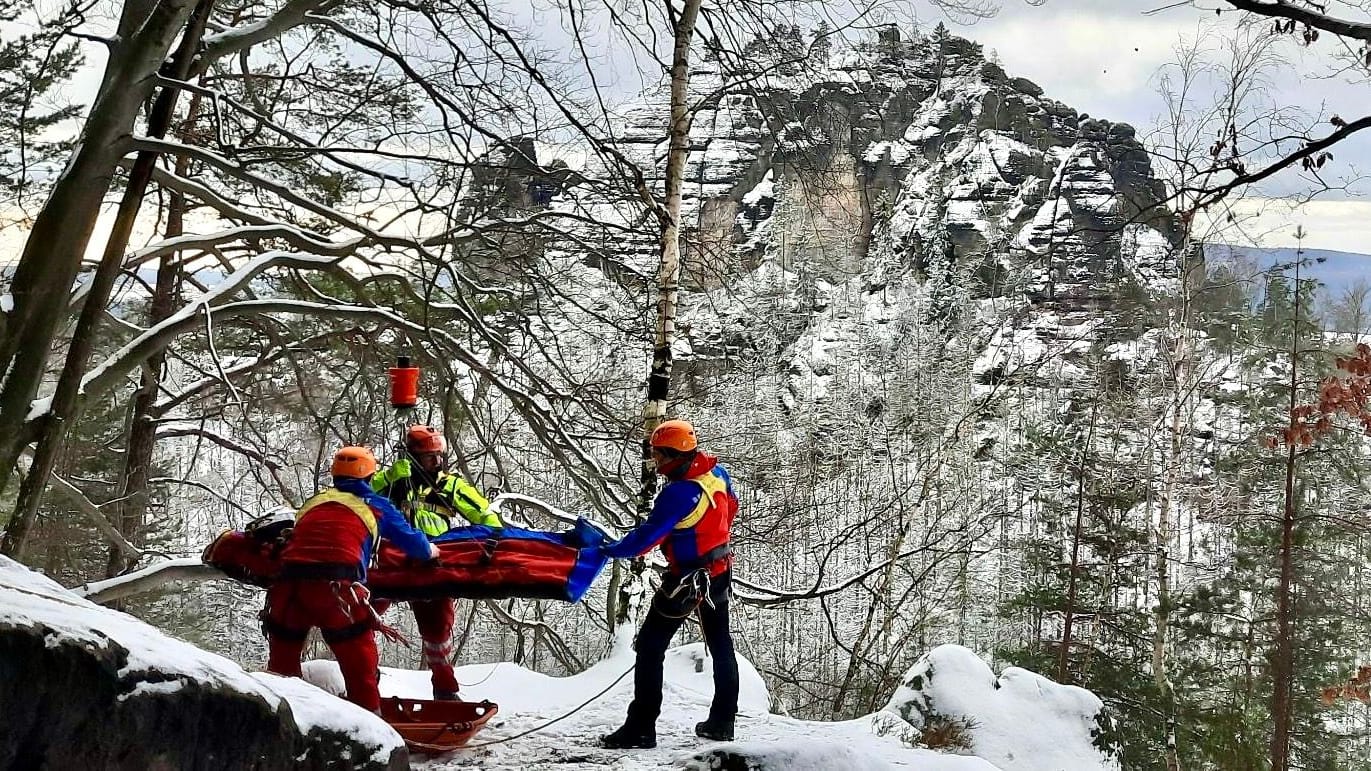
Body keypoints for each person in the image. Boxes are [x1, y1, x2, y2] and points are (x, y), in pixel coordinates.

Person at [261, 445, 438, 713]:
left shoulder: (315, 502)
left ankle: (281, 726)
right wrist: (432, 550)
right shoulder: (377, 505)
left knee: (282, 673)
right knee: (360, 669)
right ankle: (371, 735)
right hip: (335, 591)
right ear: (369, 476)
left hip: (287, 589)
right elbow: (416, 546)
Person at [599, 419, 740, 749]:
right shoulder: (717, 475)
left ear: (677, 455)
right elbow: (730, 509)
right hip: (718, 570)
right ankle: (722, 722)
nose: (657, 464)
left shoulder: (678, 494)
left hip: (687, 580)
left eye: (660, 456)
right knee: (721, 643)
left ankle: (641, 727)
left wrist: (609, 550)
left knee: (650, 646)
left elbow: (644, 540)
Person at [371, 424, 502, 700]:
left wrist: (495, 541)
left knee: (437, 629)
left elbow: (483, 514)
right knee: (366, 614)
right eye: (430, 456)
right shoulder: (391, 480)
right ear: (414, 457)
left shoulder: (449, 485)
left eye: (439, 456)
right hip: (392, 559)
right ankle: (365, 677)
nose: (437, 462)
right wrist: (389, 477)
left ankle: (444, 688)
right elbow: (359, 494)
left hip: (433, 561)